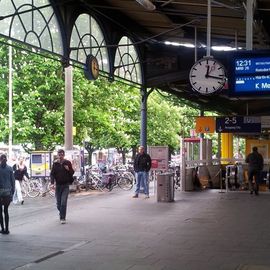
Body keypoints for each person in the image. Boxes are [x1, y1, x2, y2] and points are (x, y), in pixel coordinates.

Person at [50, 149, 74, 224]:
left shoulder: (67, 162)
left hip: (65, 185)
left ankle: (62, 218)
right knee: (58, 204)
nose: (60, 155)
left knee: (63, 202)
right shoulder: (55, 164)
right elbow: (52, 174)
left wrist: (68, 169)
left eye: (62, 154)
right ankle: (61, 212)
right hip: (58, 186)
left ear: (64, 155)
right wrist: (52, 183)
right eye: (59, 154)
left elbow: (72, 172)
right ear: (57, 155)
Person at [0, 154, 15, 234]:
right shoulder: (10, 168)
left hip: (2, 193)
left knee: (1, 211)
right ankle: (6, 229)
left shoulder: (9, 168)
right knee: (6, 211)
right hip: (8, 193)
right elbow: (13, 181)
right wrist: (13, 192)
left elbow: (12, 180)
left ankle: (3, 228)